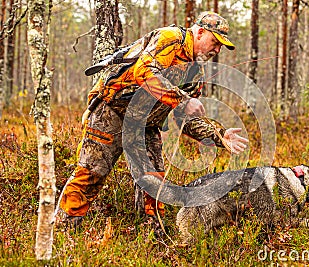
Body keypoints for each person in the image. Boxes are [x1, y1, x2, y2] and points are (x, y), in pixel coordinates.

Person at [57, 11, 249, 228]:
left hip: (146, 125)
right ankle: (64, 229)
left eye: (221, 46)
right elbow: (144, 71)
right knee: (91, 173)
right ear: (200, 32)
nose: (216, 50)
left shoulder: (196, 73)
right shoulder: (170, 39)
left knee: (154, 184)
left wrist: (218, 135)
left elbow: (185, 117)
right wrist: (182, 100)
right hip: (112, 112)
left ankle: (152, 235)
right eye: (215, 42)